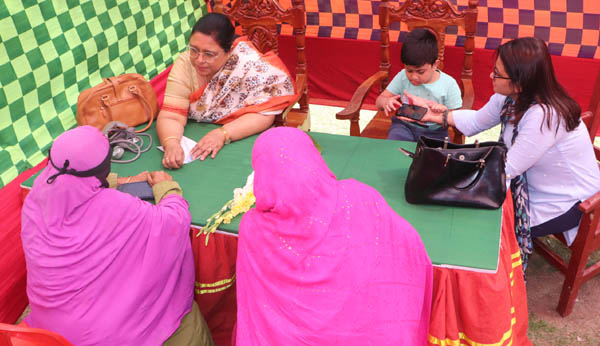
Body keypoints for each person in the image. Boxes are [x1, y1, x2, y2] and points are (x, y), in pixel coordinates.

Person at [404, 37, 600, 270]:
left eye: (497, 74)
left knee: (482, 223)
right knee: (470, 205)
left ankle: (485, 277)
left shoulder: (544, 116)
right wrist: (436, 116)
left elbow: (507, 169)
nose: (491, 77)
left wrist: (452, 175)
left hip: (567, 201)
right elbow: (477, 120)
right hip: (531, 185)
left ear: (520, 82)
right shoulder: (509, 98)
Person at [235, 127, 433, 345]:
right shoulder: (359, 198)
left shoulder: (254, 227)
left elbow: (255, 303)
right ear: (313, 159)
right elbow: (408, 245)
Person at [21, 126, 214, 346]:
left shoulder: (35, 198)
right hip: (111, 336)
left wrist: (124, 181)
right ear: (105, 168)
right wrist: (166, 188)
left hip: (50, 331)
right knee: (186, 321)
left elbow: (75, 182)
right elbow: (172, 223)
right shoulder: (115, 208)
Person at [157, 13, 297, 169]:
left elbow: (264, 113)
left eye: (209, 54)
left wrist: (223, 134)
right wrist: (171, 143)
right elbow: (172, 115)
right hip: (194, 134)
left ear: (230, 51)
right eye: (194, 50)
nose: (199, 60)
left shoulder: (248, 65)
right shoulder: (185, 65)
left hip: (241, 137)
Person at [376, 27, 462, 141]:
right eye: (409, 70)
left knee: (437, 156)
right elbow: (379, 101)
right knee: (395, 149)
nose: (413, 77)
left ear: (435, 64)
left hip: (435, 131)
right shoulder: (402, 76)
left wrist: (444, 110)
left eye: (420, 71)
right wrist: (385, 102)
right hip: (404, 126)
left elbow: (457, 117)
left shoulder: (449, 84)